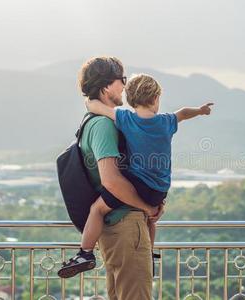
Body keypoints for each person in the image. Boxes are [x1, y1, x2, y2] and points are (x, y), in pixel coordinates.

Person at [58, 57, 163, 300]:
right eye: (121, 81)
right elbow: (112, 181)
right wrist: (147, 206)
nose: (124, 87)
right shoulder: (104, 125)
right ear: (106, 86)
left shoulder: (93, 121)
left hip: (115, 227)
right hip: (126, 226)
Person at [80, 73, 213, 252]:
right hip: (160, 189)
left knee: (97, 209)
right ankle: (148, 252)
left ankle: (85, 252)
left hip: (138, 184)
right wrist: (200, 110)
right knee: (151, 218)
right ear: (156, 98)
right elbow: (183, 112)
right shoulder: (167, 121)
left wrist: (89, 102)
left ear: (131, 99)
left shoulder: (126, 119)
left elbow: (96, 107)